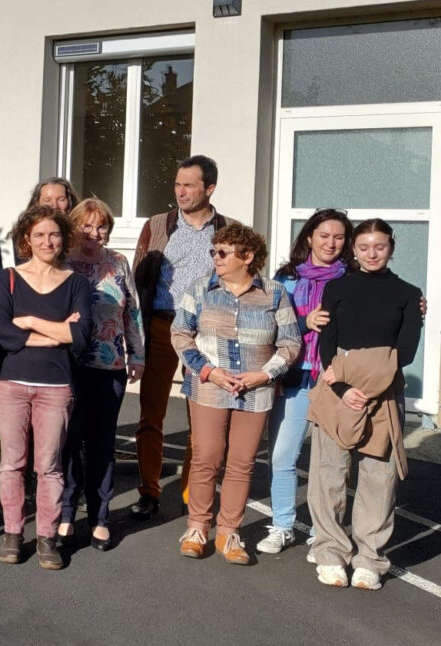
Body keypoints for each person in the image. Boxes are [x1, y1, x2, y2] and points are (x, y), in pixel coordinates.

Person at [172, 223, 298, 565]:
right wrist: (210, 371)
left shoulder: (274, 294)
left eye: (223, 252)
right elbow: (180, 335)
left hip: (256, 393)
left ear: (248, 256)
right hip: (209, 388)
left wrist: (263, 374)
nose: (216, 258)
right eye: (214, 251)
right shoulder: (199, 289)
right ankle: (198, 528)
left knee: (241, 465)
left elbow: (290, 343)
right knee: (206, 458)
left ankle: (229, 533)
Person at [306, 218, 422, 590]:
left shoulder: (408, 293)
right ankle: (330, 552)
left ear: (391, 247)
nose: (372, 254)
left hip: (385, 394)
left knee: (379, 476)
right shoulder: (337, 288)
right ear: (353, 249)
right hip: (338, 388)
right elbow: (327, 342)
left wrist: (367, 386)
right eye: (364, 246)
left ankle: (370, 557)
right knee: (329, 474)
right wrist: (341, 387)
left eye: (380, 246)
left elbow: (404, 352)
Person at [130, 155, 241, 520]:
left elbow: (245, 282)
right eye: (178, 184)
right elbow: (137, 279)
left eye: (189, 185)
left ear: (210, 188)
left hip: (205, 335)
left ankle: (195, 495)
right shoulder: (159, 225)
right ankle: (149, 491)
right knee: (151, 416)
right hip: (161, 328)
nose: (181, 192)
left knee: (201, 420)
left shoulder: (229, 230)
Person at [0, 205, 93, 571]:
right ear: (26, 240)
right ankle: (13, 532)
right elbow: (2, 330)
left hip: (56, 387)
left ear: (63, 238)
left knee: (48, 467)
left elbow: (80, 336)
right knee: (11, 464)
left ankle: (47, 537)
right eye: (39, 235)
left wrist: (30, 323)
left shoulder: (77, 283)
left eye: (54, 234)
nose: (47, 241)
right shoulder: (9, 279)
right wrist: (54, 332)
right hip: (12, 385)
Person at [257, 209, 352, 555]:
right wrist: (302, 319)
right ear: (309, 237)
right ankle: (283, 525)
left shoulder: (354, 279)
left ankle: (322, 533)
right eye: (324, 235)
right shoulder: (286, 278)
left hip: (335, 381)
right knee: (283, 455)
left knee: (329, 463)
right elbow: (267, 321)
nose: (331, 243)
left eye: (339, 237)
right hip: (295, 377)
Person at [59, 199, 144, 552]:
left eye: (102, 227)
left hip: (109, 367)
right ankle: (65, 515)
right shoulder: (62, 263)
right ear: (74, 227)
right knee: (66, 443)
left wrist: (137, 354)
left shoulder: (119, 263)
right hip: (67, 366)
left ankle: (100, 518)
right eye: (87, 227)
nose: (95, 234)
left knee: (101, 445)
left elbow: (133, 313)